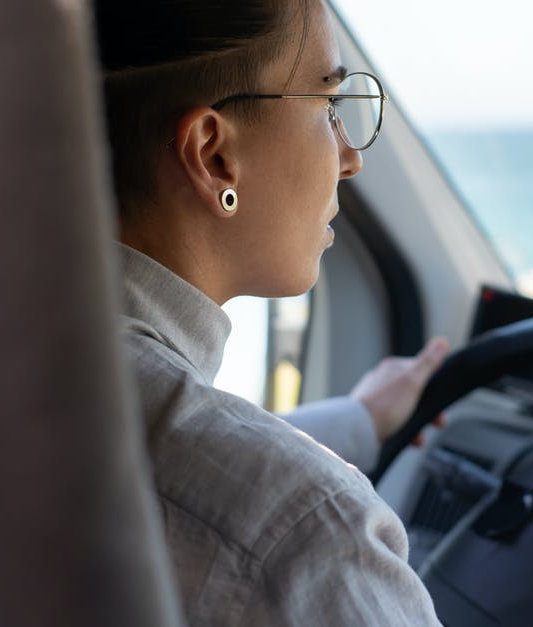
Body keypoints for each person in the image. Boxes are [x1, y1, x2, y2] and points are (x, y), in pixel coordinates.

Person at [94, 0, 444, 623]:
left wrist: (358, 419)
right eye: (329, 106)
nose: (350, 157)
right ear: (213, 155)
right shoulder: (313, 540)